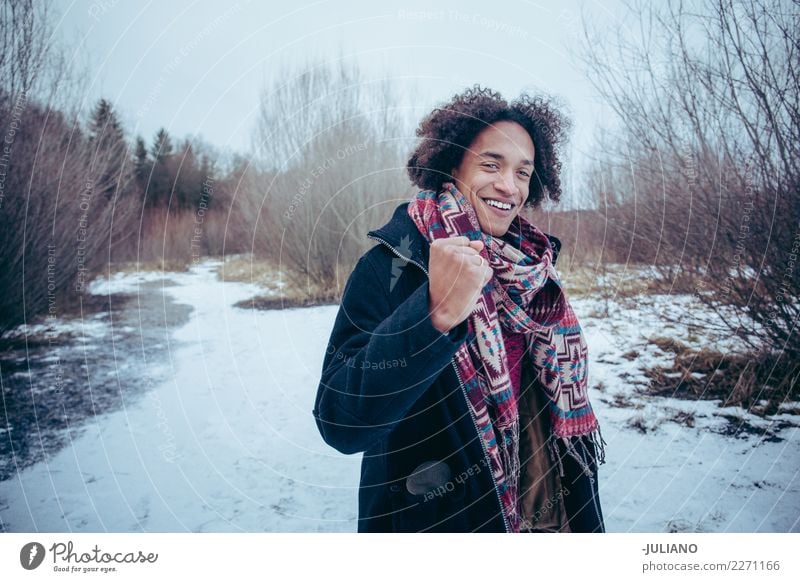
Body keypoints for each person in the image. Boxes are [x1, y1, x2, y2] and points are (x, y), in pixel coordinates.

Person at [313, 86, 606, 533]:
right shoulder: (393, 264)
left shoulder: (534, 271)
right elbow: (339, 421)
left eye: (523, 173)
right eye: (491, 165)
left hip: (548, 520)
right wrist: (433, 315)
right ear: (452, 166)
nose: (509, 186)